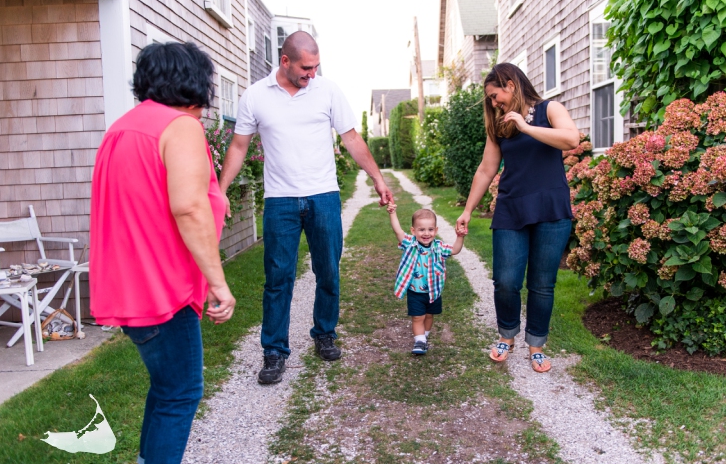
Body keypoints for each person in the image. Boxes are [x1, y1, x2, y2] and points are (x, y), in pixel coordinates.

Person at [90, 41, 235, 464]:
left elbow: (148, 198)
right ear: (194, 81)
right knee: (181, 394)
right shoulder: (180, 126)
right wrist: (218, 284)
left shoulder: (124, 128)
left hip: (129, 284)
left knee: (166, 387)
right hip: (161, 289)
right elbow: (188, 208)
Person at [218, 31, 393, 384]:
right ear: (285, 61)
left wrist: (377, 177)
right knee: (277, 278)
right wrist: (220, 191)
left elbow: (352, 138)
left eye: (316, 67)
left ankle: (324, 333)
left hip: (323, 196)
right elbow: (238, 147)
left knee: (328, 271)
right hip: (280, 200)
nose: (312, 73)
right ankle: (274, 351)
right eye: (306, 67)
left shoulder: (327, 91)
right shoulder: (255, 96)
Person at [455, 63, 579, 373]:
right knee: (506, 281)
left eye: (495, 96)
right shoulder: (500, 124)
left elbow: (571, 139)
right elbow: (486, 169)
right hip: (512, 208)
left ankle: (536, 344)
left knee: (541, 283)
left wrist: (526, 127)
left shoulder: (550, 109)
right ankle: (506, 336)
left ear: (510, 84)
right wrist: (468, 210)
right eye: (491, 100)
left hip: (551, 208)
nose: (494, 103)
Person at [388, 204, 466, 354]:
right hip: (415, 292)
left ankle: (424, 336)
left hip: (433, 292)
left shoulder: (439, 247)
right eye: (421, 229)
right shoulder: (410, 243)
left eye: (430, 229)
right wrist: (393, 213)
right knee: (418, 317)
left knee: (429, 316)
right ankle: (419, 341)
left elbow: (455, 250)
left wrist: (460, 237)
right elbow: (397, 231)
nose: (426, 233)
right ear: (413, 231)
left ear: (436, 230)